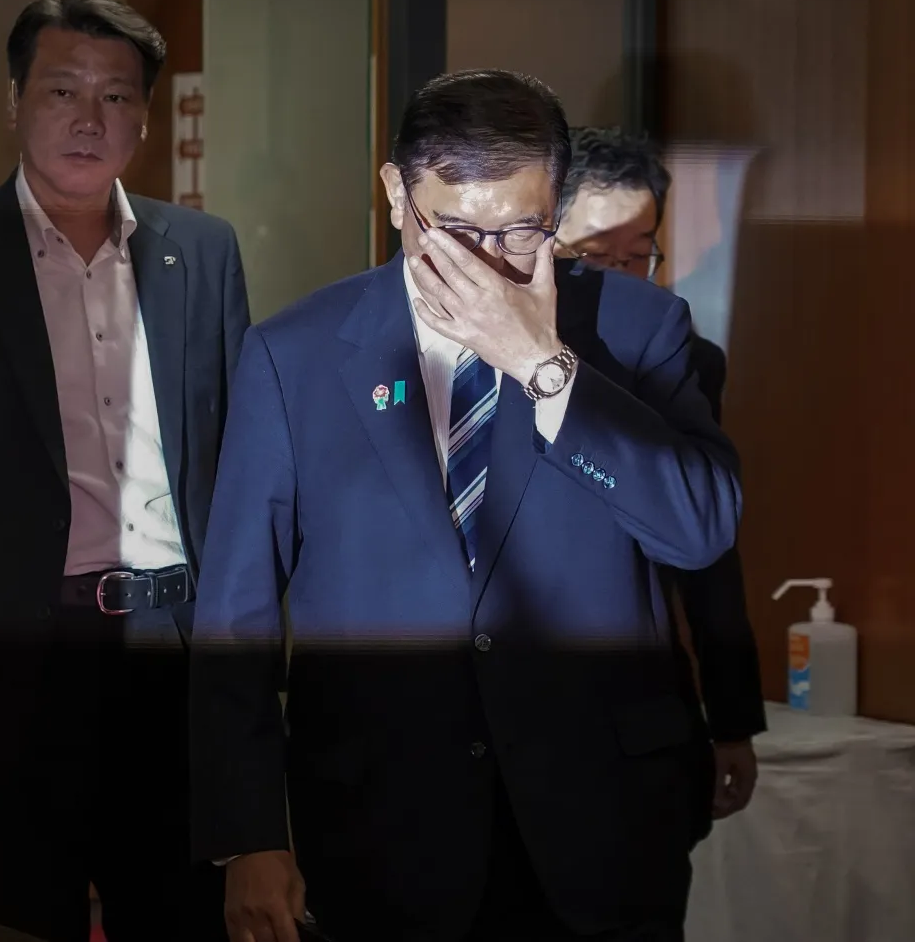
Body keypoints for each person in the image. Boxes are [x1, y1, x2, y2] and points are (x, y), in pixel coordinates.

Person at [191, 70, 741, 942]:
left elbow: (700, 526)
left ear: (557, 205)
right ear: (395, 194)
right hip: (381, 823)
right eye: (452, 229)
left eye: (520, 229)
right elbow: (235, 617)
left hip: (601, 823)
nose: (486, 259)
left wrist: (545, 366)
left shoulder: (639, 330)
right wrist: (249, 833)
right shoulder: (292, 356)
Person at [0, 0, 251, 942]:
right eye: (62, 89)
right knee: (20, 921)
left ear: (144, 120)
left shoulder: (203, 250)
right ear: (15, 102)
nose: (87, 117)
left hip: (172, 651)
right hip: (9, 668)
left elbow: (236, 458)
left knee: (183, 915)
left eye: (115, 97)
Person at [556, 127, 765, 826]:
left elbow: (710, 552)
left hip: (638, 707)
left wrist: (732, 716)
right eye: (594, 256)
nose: (619, 277)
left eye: (638, 255)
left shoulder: (687, 359)